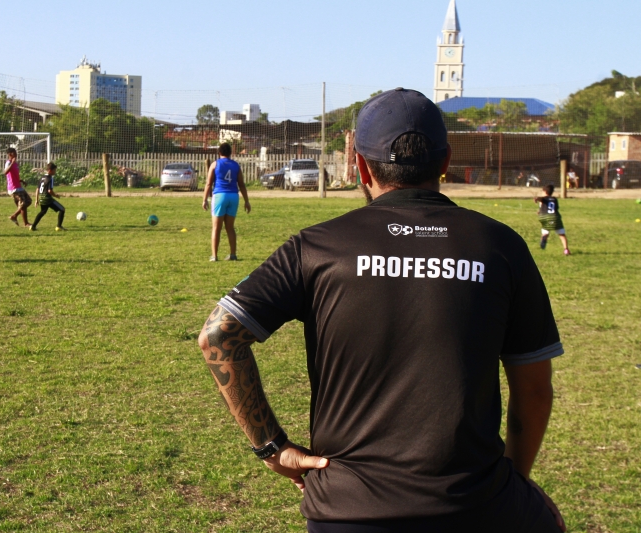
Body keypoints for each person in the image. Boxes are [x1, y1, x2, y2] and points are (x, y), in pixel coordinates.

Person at [198, 88, 566, 533]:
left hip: (346, 512)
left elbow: (218, 336)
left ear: (360, 165)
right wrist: (514, 483)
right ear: (446, 161)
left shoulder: (315, 247)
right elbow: (534, 391)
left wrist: (271, 447)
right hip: (475, 508)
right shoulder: (502, 247)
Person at [201, 143, 251, 261]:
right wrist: (246, 201)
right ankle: (233, 254)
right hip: (233, 196)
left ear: (219, 153)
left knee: (216, 228)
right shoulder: (236, 165)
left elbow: (208, 183)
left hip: (220, 196)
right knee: (230, 228)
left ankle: (214, 256)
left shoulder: (215, 164)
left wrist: (204, 200)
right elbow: (241, 184)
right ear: (230, 153)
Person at [535, 184, 570, 255]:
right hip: (554, 217)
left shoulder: (543, 199)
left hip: (544, 217)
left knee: (545, 232)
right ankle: (566, 250)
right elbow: (554, 209)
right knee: (562, 234)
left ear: (545, 191)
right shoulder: (554, 199)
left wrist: (537, 198)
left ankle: (544, 237)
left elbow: (541, 199)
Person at [31, 162, 66, 232]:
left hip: (41, 198)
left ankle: (33, 226)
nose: (55, 172)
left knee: (43, 212)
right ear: (50, 170)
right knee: (62, 209)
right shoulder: (50, 178)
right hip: (47, 198)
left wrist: (36, 200)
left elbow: (37, 189)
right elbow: (49, 191)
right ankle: (59, 226)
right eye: (54, 170)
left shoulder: (42, 178)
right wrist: (56, 195)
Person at [4, 148, 31, 227]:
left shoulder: (15, 163)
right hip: (13, 188)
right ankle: (15, 216)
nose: (16, 154)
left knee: (26, 203)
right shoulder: (9, 162)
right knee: (24, 203)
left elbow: (13, 175)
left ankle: (25, 223)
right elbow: (5, 172)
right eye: (14, 153)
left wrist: (21, 180)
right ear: (10, 154)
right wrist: (12, 163)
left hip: (18, 186)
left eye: (16, 152)